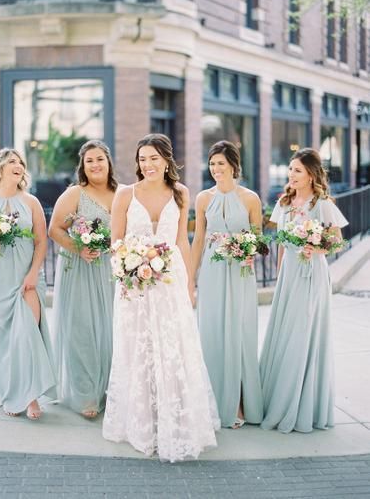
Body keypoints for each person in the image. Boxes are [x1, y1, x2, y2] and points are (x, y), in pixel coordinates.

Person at [102, 133, 220, 462]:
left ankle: (176, 420)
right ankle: (142, 423)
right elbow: (116, 243)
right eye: (142, 159)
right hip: (134, 285)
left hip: (171, 281)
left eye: (154, 158)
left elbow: (182, 241)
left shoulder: (181, 193)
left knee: (173, 348)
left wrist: (189, 284)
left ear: (167, 160)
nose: (148, 165)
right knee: (138, 347)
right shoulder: (126, 194)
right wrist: (128, 268)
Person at [260, 148, 348, 433]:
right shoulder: (284, 203)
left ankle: (301, 403)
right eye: (290, 170)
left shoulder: (322, 203)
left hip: (312, 273)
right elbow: (282, 242)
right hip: (289, 275)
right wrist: (280, 274)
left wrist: (317, 247)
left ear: (311, 174)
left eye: (297, 170)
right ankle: (278, 396)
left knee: (304, 333)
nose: (291, 175)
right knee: (285, 332)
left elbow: (337, 241)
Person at [0, 148, 57, 420]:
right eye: (12, 162)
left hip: (26, 278)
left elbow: (41, 241)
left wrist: (32, 274)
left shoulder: (31, 202)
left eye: (20, 162)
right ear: (0, 168)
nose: (18, 166)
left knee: (26, 335)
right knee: (3, 340)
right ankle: (9, 392)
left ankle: (30, 398)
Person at [191, 140, 264, 429]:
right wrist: (190, 279)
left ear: (234, 165)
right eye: (212, 163)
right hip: (211, 270)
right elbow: (198, 240)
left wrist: (250, 254)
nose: (216, 169)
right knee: (212, 331)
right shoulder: (203, 198)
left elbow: (258, 237)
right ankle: (214, 400)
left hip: (240, 272)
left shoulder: (250, 198)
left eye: (221, 163)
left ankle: (240, 402)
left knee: (239, 331)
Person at [49, 140, 117, 419]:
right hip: (79, 269)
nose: (95, 165)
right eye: (89, 161)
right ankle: (86, 395)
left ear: (109, 161)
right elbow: (55, 229)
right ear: (83, 166)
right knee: (82, 331)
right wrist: (80, 247)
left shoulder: (123, 193)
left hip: (110, 271)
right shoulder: (75, 194)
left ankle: (109, 390)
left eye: (99, 159)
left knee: (110, 332)